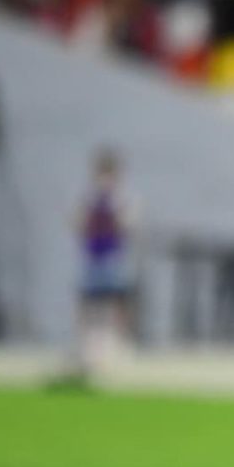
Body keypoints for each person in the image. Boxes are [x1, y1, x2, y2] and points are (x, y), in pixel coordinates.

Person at [72, 148, 139, 377]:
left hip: (113, 257)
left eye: (109, 174)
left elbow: (128, 225)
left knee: (117, 300)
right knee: (89, 302)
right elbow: (78, 224)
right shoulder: (90, 198)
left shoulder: (121, 199)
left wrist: (116, 220)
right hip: (93, 257)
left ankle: (121, 343)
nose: (105, 180)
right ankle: (85, 344)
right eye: (102, 174)